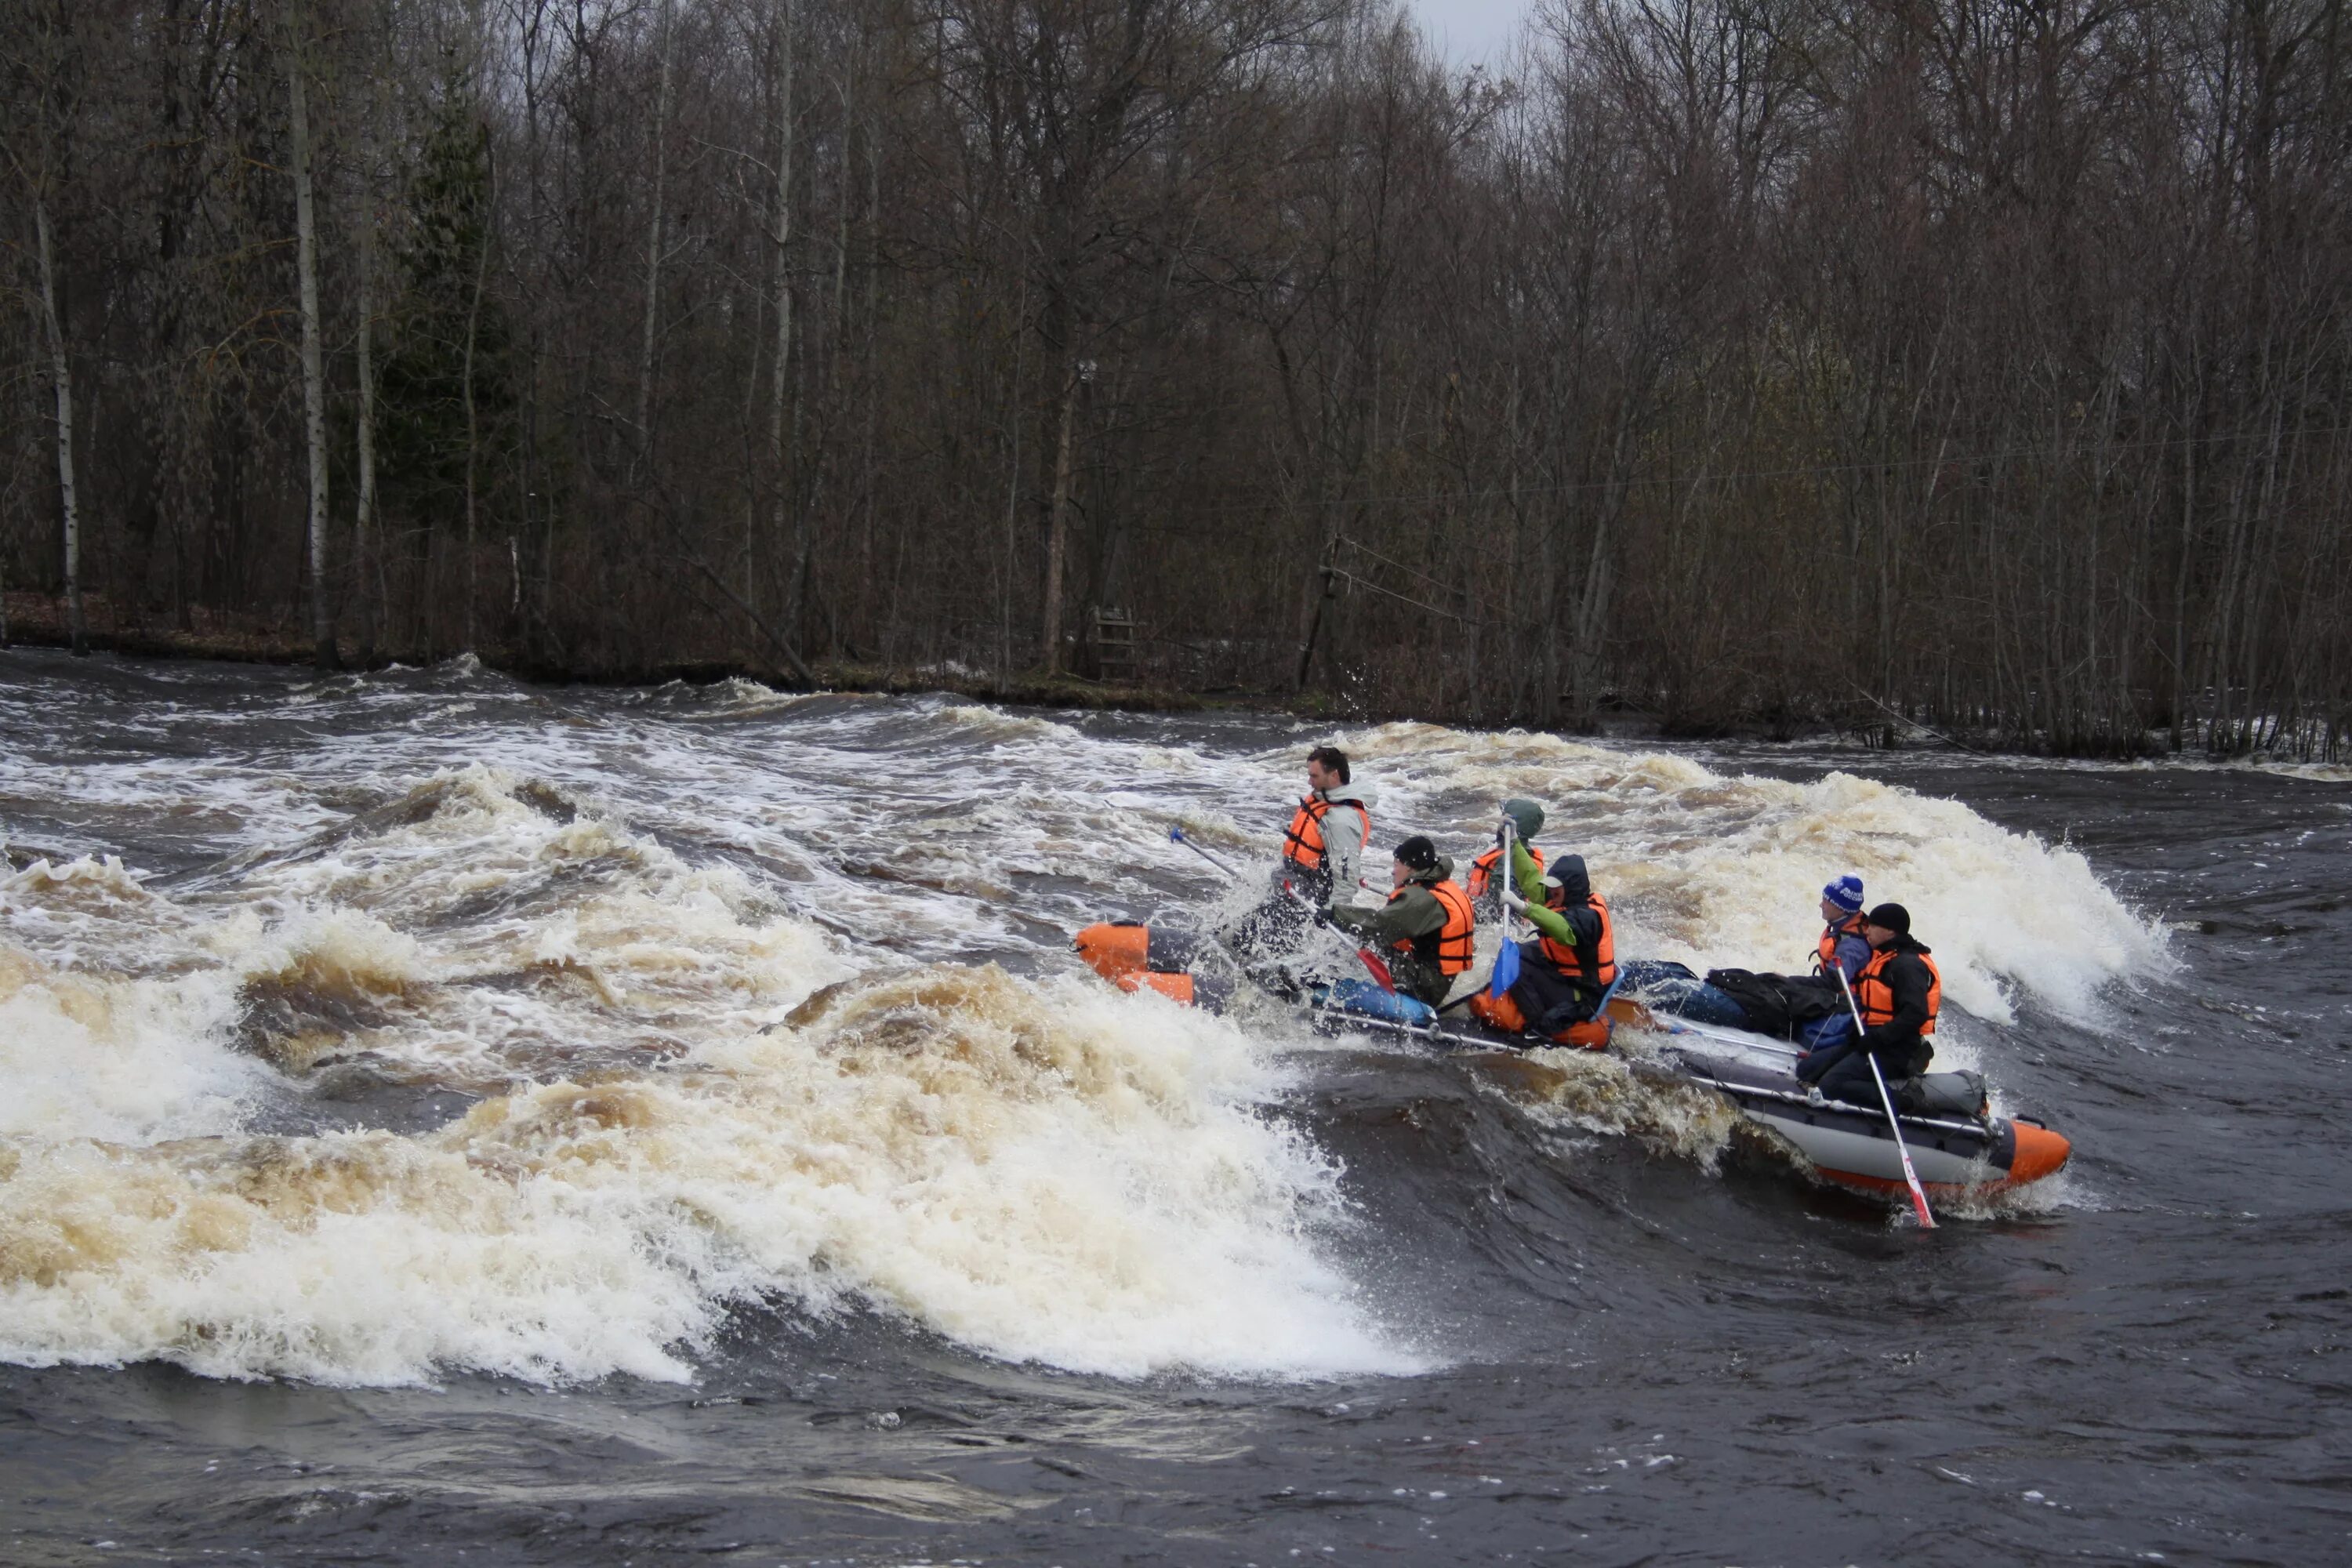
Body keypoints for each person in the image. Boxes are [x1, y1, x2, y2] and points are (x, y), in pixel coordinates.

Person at [1795, 902, 1940, 1109]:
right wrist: (1859, 1035)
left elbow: (1915, 1014)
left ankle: (1907, 1101)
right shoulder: (1884, 956)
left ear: (1890, 932)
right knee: (1806, 1070)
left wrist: (1876, 1038)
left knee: (1832, 1086)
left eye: (1873, 926)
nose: (1867, 930)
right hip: (1871, 1040)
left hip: (1896, 1051)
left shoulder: (1908, 965)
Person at [1468, 838, 1616, 1039]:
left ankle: (1538, 1028)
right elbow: (1531, 881)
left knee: (1518, 969)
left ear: (1571, 887)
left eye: (1557, 887)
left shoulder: (1587, 917)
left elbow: (1563, 929)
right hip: (1566, 976)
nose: (1552, 891)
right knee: (1516, 952)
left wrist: (1525, 908)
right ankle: (1498, 995)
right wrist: (1514, 844)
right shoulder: (1563, 896)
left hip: (1582, 993)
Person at [1326, 836, 1475, 1008]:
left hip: (1425, 987)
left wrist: (1335, 915)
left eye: (1396, 864)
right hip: (1435, 980)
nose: (1393, 871)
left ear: (1410, 867)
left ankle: (1317, 981)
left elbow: (1379, 925)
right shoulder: (1441, 886)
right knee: (1368, 942)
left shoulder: (1422, 900)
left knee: (1360, 940)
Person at [1278, 745, 1374, 911]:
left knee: (1244, 936)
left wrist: (1331, 911)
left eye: (1314, 776)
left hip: (1308, 896)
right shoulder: (1321, 801)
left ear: (1334, 776)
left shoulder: (1341, 819)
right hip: (1293, 882)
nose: (1310, 781)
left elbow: (1346, 877)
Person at [1795, 874, 1871, 1051]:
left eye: (1826, 901)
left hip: (1849, 1003)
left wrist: (1791, 982)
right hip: (1835, 994)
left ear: (1841, 907)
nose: (1821, 904)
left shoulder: (1853, 945)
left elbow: (1832, 982)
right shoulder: (1839, 926)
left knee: (1805, 1030)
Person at [1465, 797, 1548, 917]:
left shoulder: (1507, 860)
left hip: (1495, 920)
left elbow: (1499, 902)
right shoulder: (1525, 854)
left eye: (1503, 816)